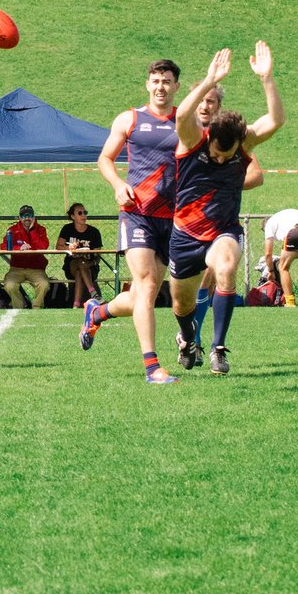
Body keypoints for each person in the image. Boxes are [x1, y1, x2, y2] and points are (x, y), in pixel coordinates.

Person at [170, 43, 285, 375]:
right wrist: (209, 80)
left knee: (226, 266)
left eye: (227, 153)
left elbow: (276, 119)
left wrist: (267, 78)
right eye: (217, 154)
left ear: (239, 142)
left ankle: (218, 349)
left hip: (222, 231)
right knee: (182, 304)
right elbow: (181, 115)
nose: (220, 159)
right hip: (185, 234)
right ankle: (188, 339)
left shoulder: (244, 142)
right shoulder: (193, 140)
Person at [82, 59, 181, 384]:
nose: (160, 86)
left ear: (176, 86)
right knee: (148, 283)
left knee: (144, 294)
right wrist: (118, 184)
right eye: (155, 80)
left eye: (166, 81)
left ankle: (97, 312)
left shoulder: (186, 120)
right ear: (147, 84)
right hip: (136, 213)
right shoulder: (130, 119)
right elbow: (105, 158)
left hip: (172, 218)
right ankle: (152, 367)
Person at [190, 84, 264, 364]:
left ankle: (210, 346)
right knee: (190, 290)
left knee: (214, 274)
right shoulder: (184, 132)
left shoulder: (229, 135)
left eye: (211, 101)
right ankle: (189, 339)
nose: (205, 106)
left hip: (221, 225)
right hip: (186, 224)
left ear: (219, 108)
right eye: (201, 100)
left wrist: (222, 187)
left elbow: (256, 175)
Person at [1, 205, 50, 309]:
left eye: (30, 215)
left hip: (36, 269)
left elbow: (44, 246)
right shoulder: (12, 230)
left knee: (44, 284)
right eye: (24, 216)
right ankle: (19, 307)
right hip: (16, 269)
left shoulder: (40, 229)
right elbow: (4, 246)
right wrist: (19, 248)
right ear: (19, 217)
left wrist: (32, 232)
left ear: (34, 217)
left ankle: (36, 307)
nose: (27, 218)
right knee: (9, 285)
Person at [56, 203, 103, 307]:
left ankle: (76, 304)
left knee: (80, 268)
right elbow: (58, 246)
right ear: (73, 216)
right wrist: (69, 248)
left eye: (85, 213)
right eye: (80, 213)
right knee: (79, 263)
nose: (84, 216)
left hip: (90, 266)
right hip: (71, 265)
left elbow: (97, 253)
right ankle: (93, 293)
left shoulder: (94, 232)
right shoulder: (67, 229)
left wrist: (89, 256)